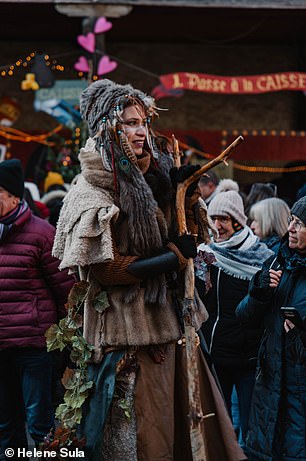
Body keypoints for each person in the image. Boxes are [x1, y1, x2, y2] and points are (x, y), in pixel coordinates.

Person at [53, 79, 245, 461]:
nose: (141, 131)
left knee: (185, 432)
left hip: (170, 327)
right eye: (128, 123)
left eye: (143, 122)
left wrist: (183, 194)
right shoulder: (90, 189)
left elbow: (184, 235)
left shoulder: (152, 177)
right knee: (141, 439)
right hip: (124, 339)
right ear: (109, 127)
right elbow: (106, 270)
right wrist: (171, 257)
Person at [0, 159, 75, 460]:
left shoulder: (41, 234)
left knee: (39, 421)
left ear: (15, 197)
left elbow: (64, 289)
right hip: (1, 345)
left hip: (33, 344)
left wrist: (63, 336)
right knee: (6, 423)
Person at [195, 186, 273, 450]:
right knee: (220, 422)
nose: (217, 226)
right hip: (215, 354)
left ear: (238, 222)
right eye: (213, 219)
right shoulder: (206, 255)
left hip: (247, 357)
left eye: (224, 219)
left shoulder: (261, 258)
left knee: (249, 424)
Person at [236, 196, 306, 461]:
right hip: (270, 383)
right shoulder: (278, 263)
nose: (290, 228)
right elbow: (243, 315)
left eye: (299, 224)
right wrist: (259, 291)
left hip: (300, 388)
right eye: (291, 221)